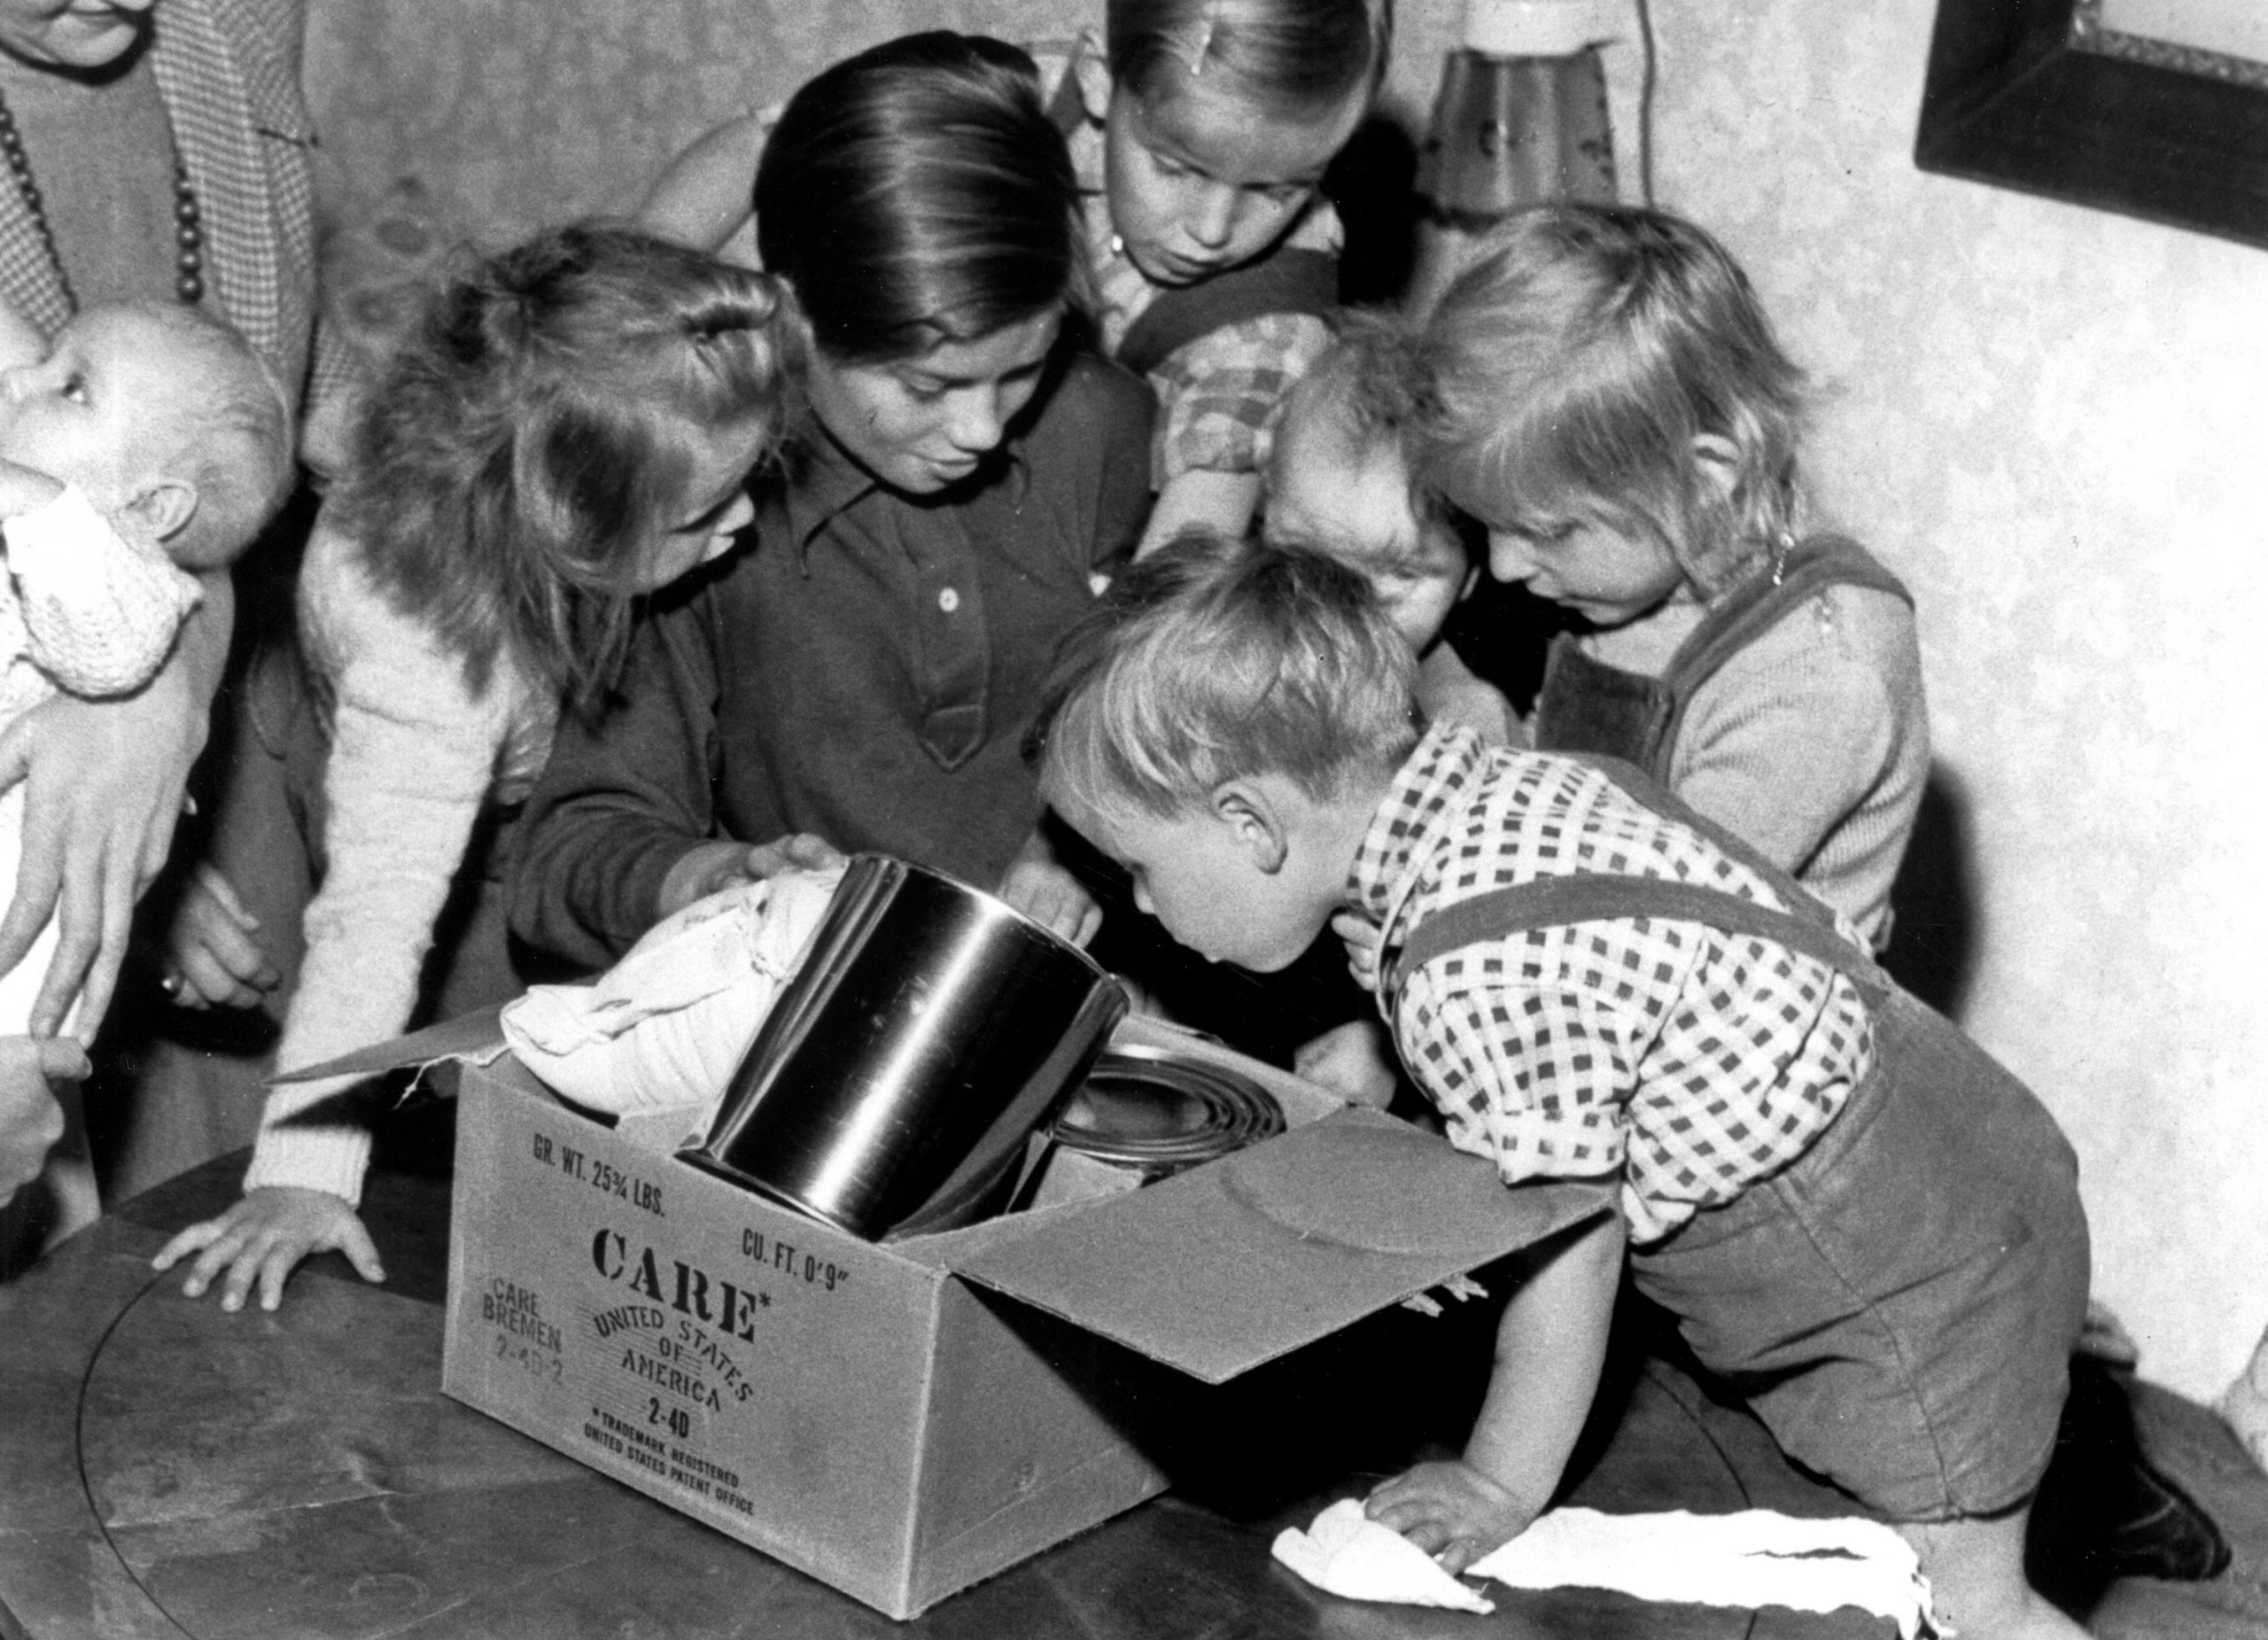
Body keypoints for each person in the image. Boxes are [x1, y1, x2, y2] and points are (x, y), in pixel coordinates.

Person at [1031, 535, 2090, 1640]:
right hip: (1958, 1138)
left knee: (1959, 1604)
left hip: (1904, 1268)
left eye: (1142, 870)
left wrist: (1498, 1482)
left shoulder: (1470, 964)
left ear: (1251, 825)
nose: (1143, 911)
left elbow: (1569, 1243)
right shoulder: (1510, 783)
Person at [149, 223, 796, 1312]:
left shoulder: (471, 400)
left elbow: (614, 306)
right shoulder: (439, 676)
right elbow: (372, 929)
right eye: (699, 516)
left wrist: (761, 141)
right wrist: (303, 1179)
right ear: (564, 517)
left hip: (387, 721)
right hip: (412, 809)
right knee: (491, 1101)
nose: (741, 523)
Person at [507, 33, 1154, 973]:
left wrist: (1086, 846)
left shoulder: (1103, 422)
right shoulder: (707, 498)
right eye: (930, 387)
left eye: (1022, 368)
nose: (981, 428)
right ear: (797, 317)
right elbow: (565, 854)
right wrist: (708, 877)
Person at [638, 2, 1387, 557]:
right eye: (1176, 167)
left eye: (1278, 190)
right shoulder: (1026, 95)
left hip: (1089, 518)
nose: (1214, 230)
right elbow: (775, 135)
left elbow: (1185, 550)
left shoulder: (1273, 324)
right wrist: (630, 300)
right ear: (1100, 81)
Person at [1417, 202, 1927, 948]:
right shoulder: (1586, 568)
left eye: (1546, 529)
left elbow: (1633, 920)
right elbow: (1435, 666)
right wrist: (1459, 692)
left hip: (1737, 1032)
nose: (1503, 565)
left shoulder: (1824, 673)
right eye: (1487, 523)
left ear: (1705, 477)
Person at [0, 300, 290, 1243]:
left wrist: (32, 498)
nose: (18, 382)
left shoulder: (96, 562)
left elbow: (128, 629)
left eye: (64, 383)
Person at [1265, 310, 1512, 746]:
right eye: (1310, 559)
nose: (1346, 609)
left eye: (1400, 575)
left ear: (1470, 578)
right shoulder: (1214, 647)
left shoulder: (1465, 731)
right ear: (1267, 512)